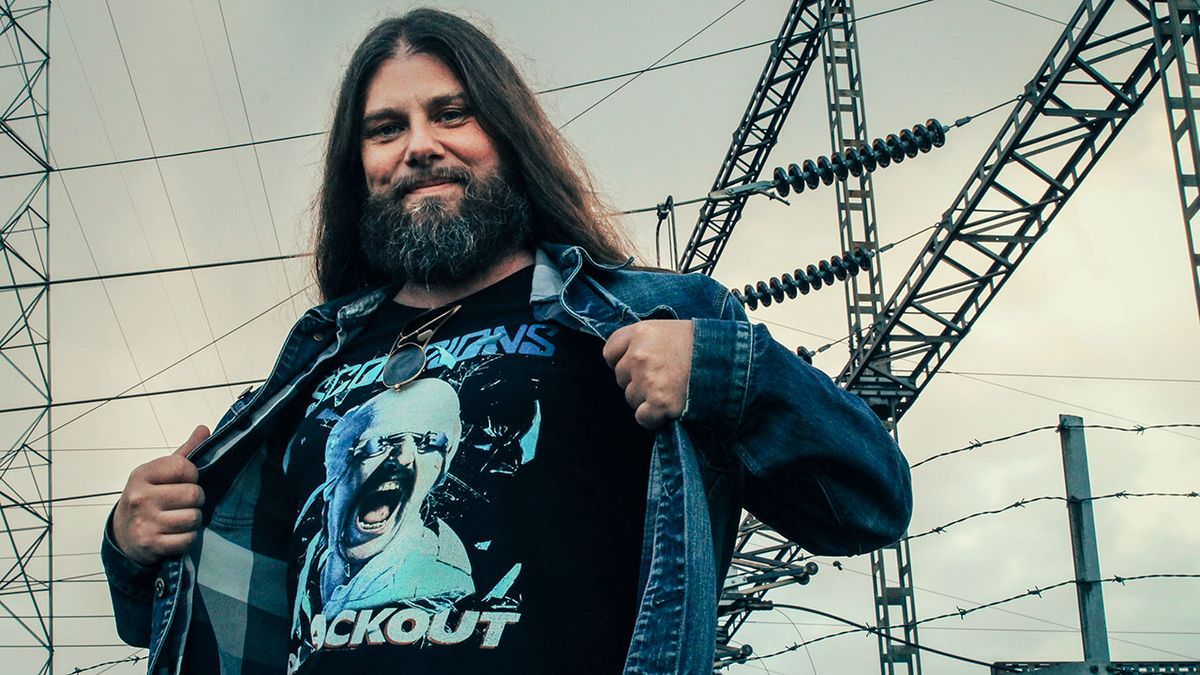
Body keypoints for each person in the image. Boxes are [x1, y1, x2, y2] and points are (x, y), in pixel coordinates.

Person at [102, 8, 912, 675]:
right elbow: (173, 621)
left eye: (452, 113)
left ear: (507, 134)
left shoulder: (646, 320)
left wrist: (732, 374)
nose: (420, 144)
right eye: (387, 128)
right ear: (362, 167)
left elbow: (868, 504)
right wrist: (131, 543)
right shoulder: (311, 368)